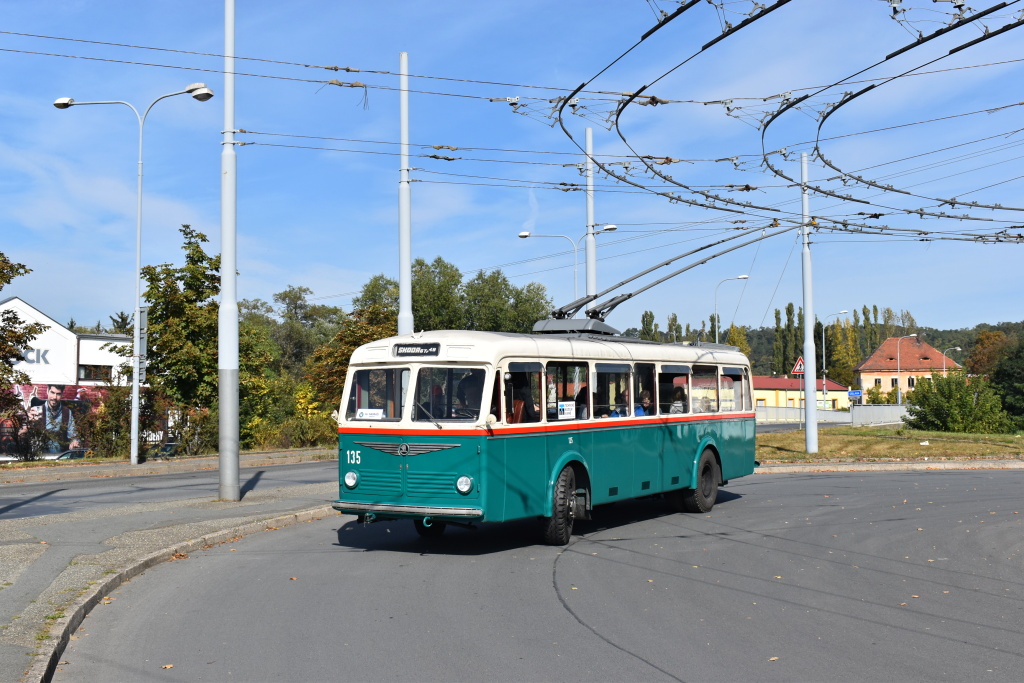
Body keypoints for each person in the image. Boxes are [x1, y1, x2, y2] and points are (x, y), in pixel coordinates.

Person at [26, 384, 79, 453]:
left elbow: (73, 435)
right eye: (52, 392)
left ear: (62, 394)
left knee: (54, 445)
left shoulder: (67, 412)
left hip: (58, 454)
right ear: (47, 391)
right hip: (39, 452)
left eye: (58, 394)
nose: (54, 397)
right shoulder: (36, 410)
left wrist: (75, 441)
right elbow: (25, 435)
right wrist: (28, 425)